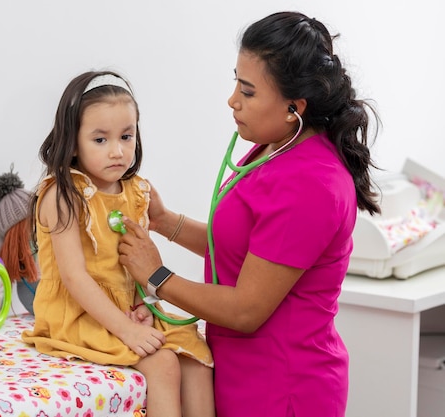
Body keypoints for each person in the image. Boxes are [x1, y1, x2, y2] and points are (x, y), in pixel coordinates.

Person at [117, 11, 381, 417]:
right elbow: (243, 250)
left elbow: (246, 310)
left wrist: (157, 277)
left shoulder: (310, 184)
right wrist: (166, 221)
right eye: (235, 82)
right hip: (243, 376)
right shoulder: (276, 146)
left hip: (283, 389)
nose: (232, 100)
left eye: (248, 91)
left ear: (294, 106)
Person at [21, 70, 214, 417]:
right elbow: (75, 278)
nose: (117, 151)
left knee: (196, 354)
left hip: (123, 307)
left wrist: (144, 302)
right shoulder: (64, 195)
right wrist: (125, 328)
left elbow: (132, 264)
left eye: (126, 136)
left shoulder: (136, 192)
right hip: (76, 311)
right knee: (163, 364)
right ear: (73, 141)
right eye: (100, 140)